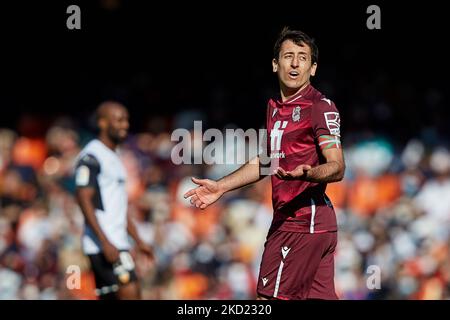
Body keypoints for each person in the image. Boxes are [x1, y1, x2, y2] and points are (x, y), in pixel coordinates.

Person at [184, 27, 345, 300]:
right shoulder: (274, 105)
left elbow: (337, 166)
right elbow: (268, 159)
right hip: (296, 221)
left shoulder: (320, 106)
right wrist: (221, 187)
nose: (295, 63)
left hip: (302, 222)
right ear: (275, 64)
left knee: (267, 300)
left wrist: (311, 173)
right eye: (288, 56)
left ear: (313, 68)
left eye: (303, 58)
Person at [74, 101, 153, 300]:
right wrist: (105, 242)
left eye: (126, 120)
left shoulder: (115, 157)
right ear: (102, 123)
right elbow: (84, 199)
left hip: (117, 242)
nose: (125, 124)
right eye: (118, 120)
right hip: (104, 245)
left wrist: (138, 240)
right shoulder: (92, 155)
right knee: (131, 293)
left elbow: (119, 207)